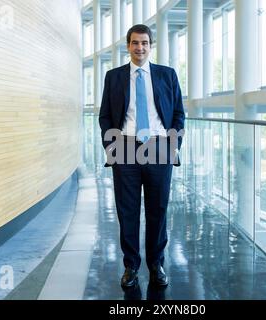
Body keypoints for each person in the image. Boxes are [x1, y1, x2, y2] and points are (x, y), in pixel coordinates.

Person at [99, 24, 185, 289]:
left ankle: (156, 264)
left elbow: (179, 114)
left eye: (145, 43)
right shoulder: (113, 77)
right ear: (128, 46)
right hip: (125, 148)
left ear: (151, 45)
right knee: (128, 211)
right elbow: (104, 116)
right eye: (135, 43)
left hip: (159, 147)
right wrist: (111, 146)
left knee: (158, 209)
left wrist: (173, 143)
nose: (140, 48)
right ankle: (131, 267)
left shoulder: (166, 75)